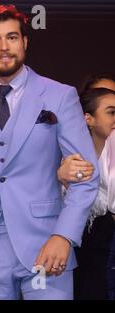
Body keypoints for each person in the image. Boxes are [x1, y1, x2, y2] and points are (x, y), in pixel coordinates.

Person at [0, 4, 99, 299]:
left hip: (46, 245)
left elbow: (86, 176)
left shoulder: (59, 95)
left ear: (25, 42)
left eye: (12, 37)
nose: (4, 47)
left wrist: (63, 235)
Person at [58, 88, 115, 299]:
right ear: (88, 119)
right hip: (80, 250)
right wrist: (62, 179)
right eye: (111, 112)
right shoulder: (68, 157)